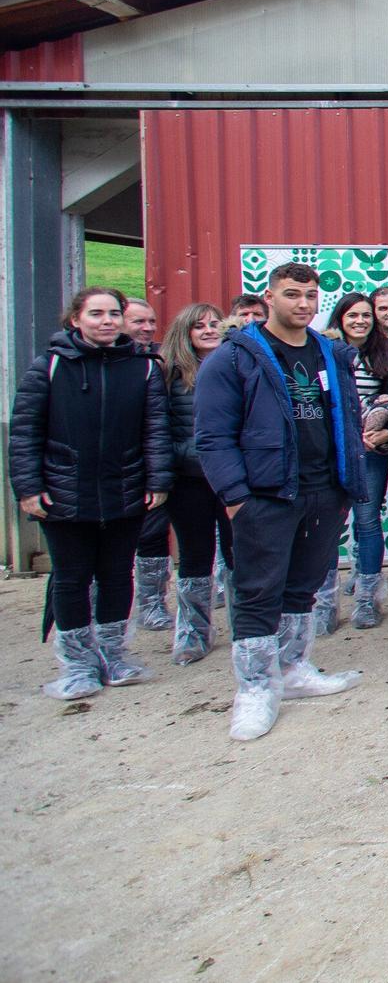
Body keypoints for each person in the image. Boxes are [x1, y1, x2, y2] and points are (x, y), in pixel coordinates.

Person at [194, 263, 365, 741]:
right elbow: (211, 437)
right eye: (292, 295)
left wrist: (346, 484)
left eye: (311, 296)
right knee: (257, 591)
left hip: (324, 490)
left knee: (302, 587)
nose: (304, 304)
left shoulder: (329, 354)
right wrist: (236, 499)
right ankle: (254, 690)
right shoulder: (235, 358)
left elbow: (346, 417)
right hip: (266, 495)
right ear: (269, 297)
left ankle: (292, 670)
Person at [9, 286, 169, 701]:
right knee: (71, 578)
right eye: (96, 313)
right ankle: (78, 664)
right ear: (75, 319)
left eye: (114, 313)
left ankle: (113, 655)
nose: (107, 321)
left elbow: (155, 430)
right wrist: (28, 489)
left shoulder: (144, 369)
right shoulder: (49, 367)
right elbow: (25, 433)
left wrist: (157, 481)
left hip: (125, 490)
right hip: (64, 493)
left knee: (118, 575)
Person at [324, 293, 388, 631]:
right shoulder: (323, 350)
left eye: (366, 316)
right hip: (331, 451)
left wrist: (387, 431)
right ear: (340, 318)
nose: (360, 321)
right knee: (326, 527)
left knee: (368, 521)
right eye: (353, 315)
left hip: (371, 450)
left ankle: (368, 600)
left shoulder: (386, 354)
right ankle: (323, 604)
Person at [159, 302, 232, 663]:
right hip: (188, 479)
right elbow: (157, 427)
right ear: (184, 333)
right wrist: (189, 454)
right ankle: (193, 633)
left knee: (240, 553)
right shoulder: (168, 373)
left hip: (232, 477)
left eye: (214, 324)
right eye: (198, 326)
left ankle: (245, 625)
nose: (207, 330)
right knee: (194, 555)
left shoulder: (236, 365)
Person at [122, 296, 175, 633]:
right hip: (115, 465)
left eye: (151, 322)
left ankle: (151, 604)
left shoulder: (162, 360)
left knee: (153, 535)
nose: (146, 328)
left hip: (156, 461)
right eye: (138, 321)